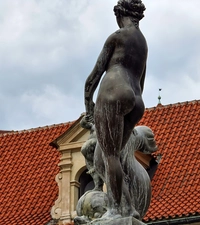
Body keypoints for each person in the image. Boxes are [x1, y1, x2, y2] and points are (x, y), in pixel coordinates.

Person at [84, 0, 147, 219]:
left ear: (119, 14)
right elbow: (142, 80)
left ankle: (114, 209)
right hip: (136, 99)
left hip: (112, 93)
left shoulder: (117, 37)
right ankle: (129, 207)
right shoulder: (142, 43)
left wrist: (88, 105)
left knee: (109, 156)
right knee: (105, 158)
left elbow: (94, 75)